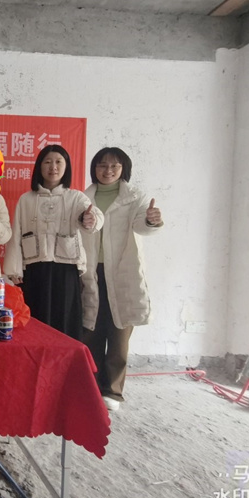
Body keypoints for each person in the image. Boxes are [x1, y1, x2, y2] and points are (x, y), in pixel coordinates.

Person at [81, 147, 163, 411]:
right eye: (102, 165)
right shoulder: (83, 197)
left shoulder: (134, 198)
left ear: (123, 169)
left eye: (114, 166)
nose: (107, 171)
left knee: (119, 334)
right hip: (91, 271)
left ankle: (113, 392)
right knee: (90, 331)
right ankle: (91, 387)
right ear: (94, 168)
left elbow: (141, 226)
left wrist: (151, 220)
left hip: (121, 272)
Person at [4, 144, 103, 340]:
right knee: (35, 322)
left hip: (65, 270)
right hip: (34, 270)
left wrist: (90, 219)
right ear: (39, 167)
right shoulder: (26, 199)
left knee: (64, 322)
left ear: (66, 167)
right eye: (47, 162)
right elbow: (16, 234)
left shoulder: (76, 197)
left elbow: (95, 216)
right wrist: (14, 269)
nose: (53, 167)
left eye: (59, 162)